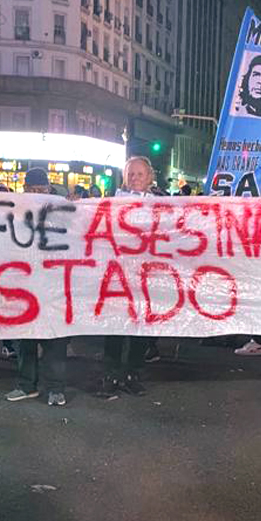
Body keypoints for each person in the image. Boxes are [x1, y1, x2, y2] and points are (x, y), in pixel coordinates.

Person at [6, 167, 69, 406]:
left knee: (55, 340)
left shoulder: (63, 211)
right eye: (31, 189)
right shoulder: (13, 211)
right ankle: (26, 385)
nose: (36, 194)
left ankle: (55, 388)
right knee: (25, 339)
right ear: (24, 189)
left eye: (41, 190)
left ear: (49, 189)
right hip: (24, 286)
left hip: (54, 287)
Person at [98, 156, 155, 399]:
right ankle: (110, 374)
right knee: (114, 327)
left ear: (149, 178)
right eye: (131, 174)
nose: (135, 179)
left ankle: (133, 374)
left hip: (145, 277)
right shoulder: (111, 203)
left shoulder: (160, 204)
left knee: (139, 329)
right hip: (117, 276)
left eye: (140, 175)